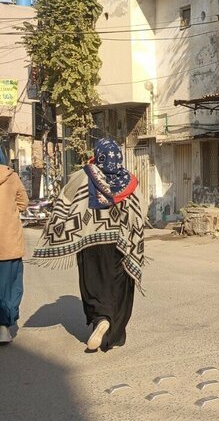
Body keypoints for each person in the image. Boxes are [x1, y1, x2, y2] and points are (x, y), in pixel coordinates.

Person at [34, 139, 145, 352]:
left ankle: (100, 318)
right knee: (120, 287)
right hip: (119, 245)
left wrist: (56, 227)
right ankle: (114, 333)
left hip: (90, 243)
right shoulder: (130, 181)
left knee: (93, 283)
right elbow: (140, 212)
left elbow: (64, 202)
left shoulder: (83, 176)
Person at [0, 148, 29, 344]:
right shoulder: (12, 176)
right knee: (10, 286)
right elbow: (23, 203)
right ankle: (3, 328)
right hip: (8, 242)